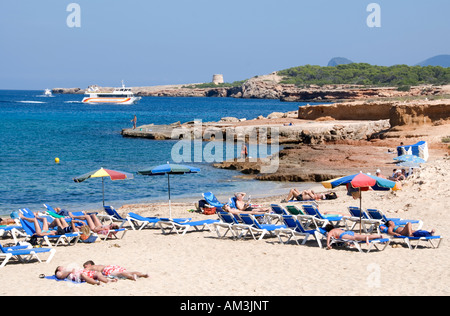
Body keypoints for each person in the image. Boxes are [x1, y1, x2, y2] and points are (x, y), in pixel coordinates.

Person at [83, 260, 149, 281]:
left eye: (85, 266)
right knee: (128, 271)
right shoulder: (99, 265)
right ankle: (143, 274)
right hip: (111, 266)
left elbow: (84, 271)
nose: (84, 267)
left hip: (106, 269)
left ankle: (131, 277)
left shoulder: (90, 267)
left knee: (119, 273)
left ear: (88, 264)